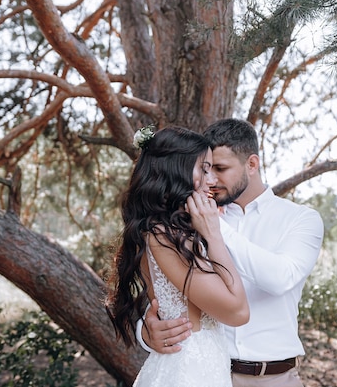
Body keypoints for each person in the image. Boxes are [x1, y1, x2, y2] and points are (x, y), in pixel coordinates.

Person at [136, 119, 324, 387]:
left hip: (272, 377)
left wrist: (216, 228)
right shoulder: (183, 222)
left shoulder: (300, 219)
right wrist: (146, 331)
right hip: (203, 371)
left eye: (221, 168)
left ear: (252, 164)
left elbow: (281, 278)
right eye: (207, 168)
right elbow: (170, 290)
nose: (212, 180)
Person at [106, 125, 250, 387]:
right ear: (176, 170)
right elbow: (238, 311)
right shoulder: (165, 236)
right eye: (204, 169)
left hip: (205, 364)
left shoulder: (171, 230)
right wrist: (214, 235)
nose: (212, 180)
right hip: (189, 370)